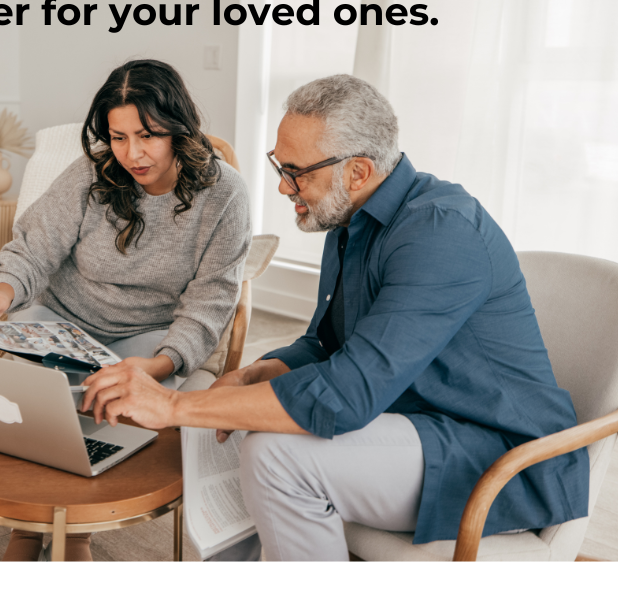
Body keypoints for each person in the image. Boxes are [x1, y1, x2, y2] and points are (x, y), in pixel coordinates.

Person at [81, 74, 589, 561]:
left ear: (358, 171)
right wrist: (267, 369)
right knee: (232, 419)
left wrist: (172, 407)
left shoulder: (441, 233)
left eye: (295, 172)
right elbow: (327, 344)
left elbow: (346, 395)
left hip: (492, 456)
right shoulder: (349, 219)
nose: (283, 187)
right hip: (414, 419)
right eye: (280, 166)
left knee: (274, 455)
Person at [0, 59, 252, 560]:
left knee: (102, 400)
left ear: (178, 127)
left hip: (151, 336)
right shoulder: (93, 171)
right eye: (119, 136)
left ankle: (74, 531)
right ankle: (30, 525)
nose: (133, 153)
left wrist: (154, 368)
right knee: (37, 408)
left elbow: (211, 303)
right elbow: (34, 247)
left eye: (148, 135)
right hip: (62, 322)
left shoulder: (225, 195)